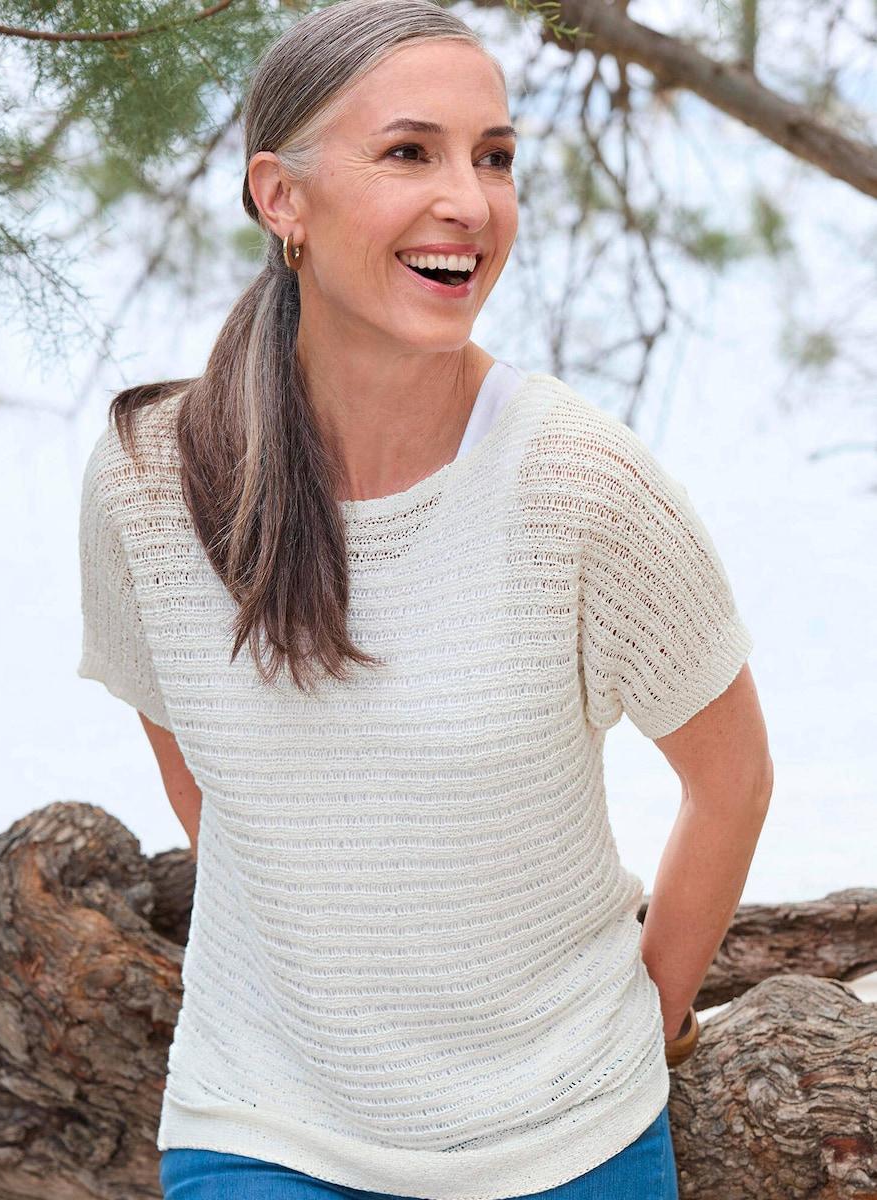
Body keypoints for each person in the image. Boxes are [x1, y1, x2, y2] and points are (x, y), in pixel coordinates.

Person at [75, 1, 773, 1197]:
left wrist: (636, 1034)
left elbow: (733, 781)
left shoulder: (583, 483)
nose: (471, 201)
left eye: (493, 158)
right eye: (410, 152)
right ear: (281, 198)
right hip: (264, 1130)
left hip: (572, 1137)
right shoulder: (149, 481)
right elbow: (213, 788)